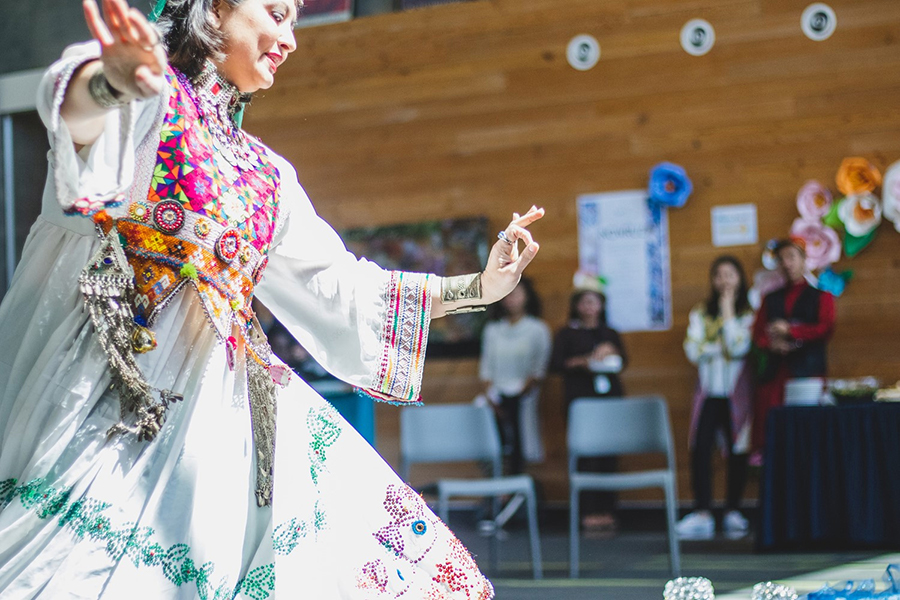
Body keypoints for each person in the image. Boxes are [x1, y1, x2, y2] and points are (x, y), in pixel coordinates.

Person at [0, 0, 544, 597]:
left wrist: (479, 288)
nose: (290, 38)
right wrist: (111, 81)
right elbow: (75, 116)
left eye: (296, 19)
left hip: (220, 441)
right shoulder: (149, 102)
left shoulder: (266, 174)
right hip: (105, 415)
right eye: (278, 13)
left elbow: (340, 289)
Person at [676, 256, 755, 540]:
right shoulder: (701, 312)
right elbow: (692, 350)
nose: (724, 281)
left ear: (740, 278)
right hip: (708, 392)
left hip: (737, 393)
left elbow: (738, 347)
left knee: (737, 449)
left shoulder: (749, 311)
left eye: (730, 275)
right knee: (700, 448)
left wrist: (728, 312)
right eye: (719, 275)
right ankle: (702, 512)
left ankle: (733, 509)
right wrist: (713, 347)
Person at [550, 276, 627, 532]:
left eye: (594, 301)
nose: (589, 307)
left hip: (609, 403)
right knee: (585, 457)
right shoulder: (566, 333)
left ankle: (608, 510)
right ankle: (587, 511)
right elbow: (556, 364)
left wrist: (610, 353)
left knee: (608, 455)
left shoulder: (610, 333)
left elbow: (624, 361)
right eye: (584, 302)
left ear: (601, 305)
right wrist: (585, 360)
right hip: (580, 402)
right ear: (576, 305)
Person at [751, 237, 836, 456]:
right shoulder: (770, 299)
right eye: (781, 259)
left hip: (807, 374)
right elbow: (758, 332)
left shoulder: (821, 296)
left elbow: (826, 328)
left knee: (808, 435)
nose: (787, 263)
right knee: (776, 437)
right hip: (776, 376)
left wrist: (791, 330)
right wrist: (772, 344)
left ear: (804, 259)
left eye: (791, 257)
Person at [478, 277, 551, 475]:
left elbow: (538, 370)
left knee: (519, 441)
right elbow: (486, 370)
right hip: (495, 398)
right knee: (490, 440)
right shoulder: (493, 330)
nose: (510, 299)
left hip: (523, 398)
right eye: (507, 294)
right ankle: (495, 489)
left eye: (516, 293)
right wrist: (492, 397)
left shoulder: (538, 329)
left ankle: (517, 488)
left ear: (527, 296)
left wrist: (517, 395)